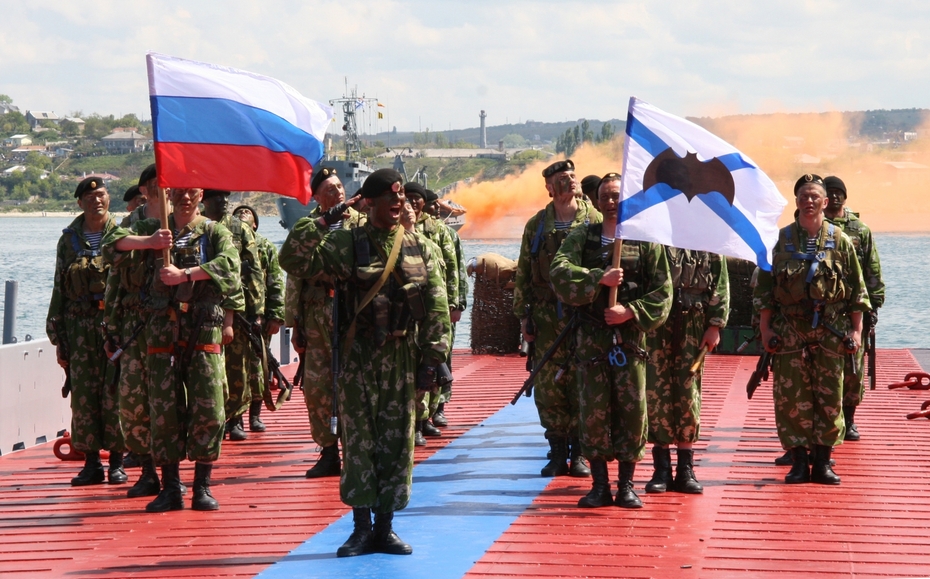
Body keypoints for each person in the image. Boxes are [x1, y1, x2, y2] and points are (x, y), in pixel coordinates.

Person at [279, 168, 450, 557]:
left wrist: (433, 358)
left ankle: (386, 526)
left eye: (401, 198)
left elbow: (436, 303)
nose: (398, 204)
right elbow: (292, 259)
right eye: (390, 199)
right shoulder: (345, 242)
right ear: (369, 203)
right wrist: (328, 216)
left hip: (402, 355)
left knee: (397, 442)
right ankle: (360, 526)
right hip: (357, 357)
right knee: (358, 442)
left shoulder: (419, 245)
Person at [104, 186, 244, 511]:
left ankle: (202, 486)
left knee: (208, 407)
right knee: (163, 409)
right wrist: (150, 243)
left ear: (200, 195)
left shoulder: (213, 231)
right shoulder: (153, 228)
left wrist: (187, 274)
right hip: (161, 332)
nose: (185, 197)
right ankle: (170, 487)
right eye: (178, 190)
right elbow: (111, 245)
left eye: (192, 191)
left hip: (202, 329)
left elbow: (231, 269)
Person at [549, 172, 671, 508]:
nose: (611, 202)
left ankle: (627, 484)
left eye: (617, 195)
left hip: (629, 341)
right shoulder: (582, 237)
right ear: (597, 200)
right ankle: (600, 485)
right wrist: (596, 278)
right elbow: (558, 271)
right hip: (591, 340)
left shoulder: (645, 240)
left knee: (632, 411)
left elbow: (663, 292)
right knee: (594, 411)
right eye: (605, 196)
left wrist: (630, 311)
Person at [754, 174, 871, 485]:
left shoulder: (842, 241)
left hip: (831, 332)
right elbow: (765, 292)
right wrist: (766, 331)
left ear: (825, 201)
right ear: (797, 201)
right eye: (803, 196)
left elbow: (858, 292)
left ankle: (823, 461)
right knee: (790, 398)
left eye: (814, 196)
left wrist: (856, 332)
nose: (809, 201)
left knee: (830, 397)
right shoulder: (781, 241)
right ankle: (798, 461)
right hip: (791, 331)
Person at [513, 158, 600, 478]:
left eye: (573, 177)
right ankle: (557, 450)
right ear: (549, 188)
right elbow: (523, 273)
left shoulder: (596, 220)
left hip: (586, 317)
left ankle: (579, 453)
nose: (571, 182)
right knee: (550, 388)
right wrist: (523, 318)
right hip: (547, 318)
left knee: (583, 383)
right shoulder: (536, 226)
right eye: (562, 179)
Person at [283, 166, 366, 478]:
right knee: (318, 388)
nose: (337, 193)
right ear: (316, 197)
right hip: (317, 314)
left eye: (339, 188)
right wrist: (294, 324)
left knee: (355, 383)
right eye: (329, 190)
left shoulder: (360, 223)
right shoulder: (307, 227)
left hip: (353, 314)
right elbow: (294, 278)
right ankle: (329, 452)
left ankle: (358, 451)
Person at [47, 176, 126, 487]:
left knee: (117, 391)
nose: (97, 201)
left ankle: (118, 462)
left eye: (102, 195)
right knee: (83, 395)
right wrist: (58, 337)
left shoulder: (121, 236)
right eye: (90, 197)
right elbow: (58, 289)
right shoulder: (68, 241)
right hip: (79, 326)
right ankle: (91, 462)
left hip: (114, 326)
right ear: (80, 203)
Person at [103, 169, 171, 498]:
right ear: (145, 189)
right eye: (156, 184)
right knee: (133, 404)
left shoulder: (184, 221)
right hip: (134, 325)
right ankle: (146, 469)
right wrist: (111, 328)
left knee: (172, 402)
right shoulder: (130, 225)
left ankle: (173, 474)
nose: (163, 189)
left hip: (172, 326)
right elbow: (112, 264)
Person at [643, 247, 729, 495]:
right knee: (655, 392)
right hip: (656, 324)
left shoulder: (707, 236)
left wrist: (715, 325)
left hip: (693, 319)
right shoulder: (654, 232)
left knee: (688, 392)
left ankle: (685, 467)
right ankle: (661, 469)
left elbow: (720, 282)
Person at [824, 175, 885, 441]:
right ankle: (822, 422)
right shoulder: (814, 227)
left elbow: (872, 268)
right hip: (823, 308)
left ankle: (849, 421)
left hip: (854, 308)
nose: (835, 197)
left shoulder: (860, 230)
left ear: (845, 197)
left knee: (853, 368)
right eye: (831, 192)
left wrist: (875, 303)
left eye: (840, 192)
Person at [201, 189, 265, 441]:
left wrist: (258, 312)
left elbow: (255, 272)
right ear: (205, 201)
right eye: (217, 198)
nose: (223, 202)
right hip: (204, 308)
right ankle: (210, 419)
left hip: (237, 309)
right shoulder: (198, 228)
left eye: (226, 198)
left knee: (237, 365)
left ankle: (236, 418)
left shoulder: (240, 229)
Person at [407, 182, 458, 438]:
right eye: (408, 198)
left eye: (417, 199)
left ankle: (431, 412)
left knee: (435, 361)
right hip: (409, 311)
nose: (413, 203)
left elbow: (451, 267)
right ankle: (417, 419)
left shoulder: (437, 231)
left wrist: (455, 303)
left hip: (435, 305)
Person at [232, 205, 286, 432]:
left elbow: (275, 282)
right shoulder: (228, 244)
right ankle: (235, 419)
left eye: (248, 213)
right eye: (238, 213)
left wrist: (275, 315)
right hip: (232, 316)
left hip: (258, 317)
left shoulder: (265, 246)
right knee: (234, 369)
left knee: (258, 367)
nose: (243, 214)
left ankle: (255, 414)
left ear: (255, 223)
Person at [423, 188, 467, 427]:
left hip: (444, 306)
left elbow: (458, 271)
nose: (437, 209)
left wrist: (458, 303)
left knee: (443, 356)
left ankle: (440, 406)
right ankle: (423, 413)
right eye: (432, 205)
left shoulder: (448, 235)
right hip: (422, 308)